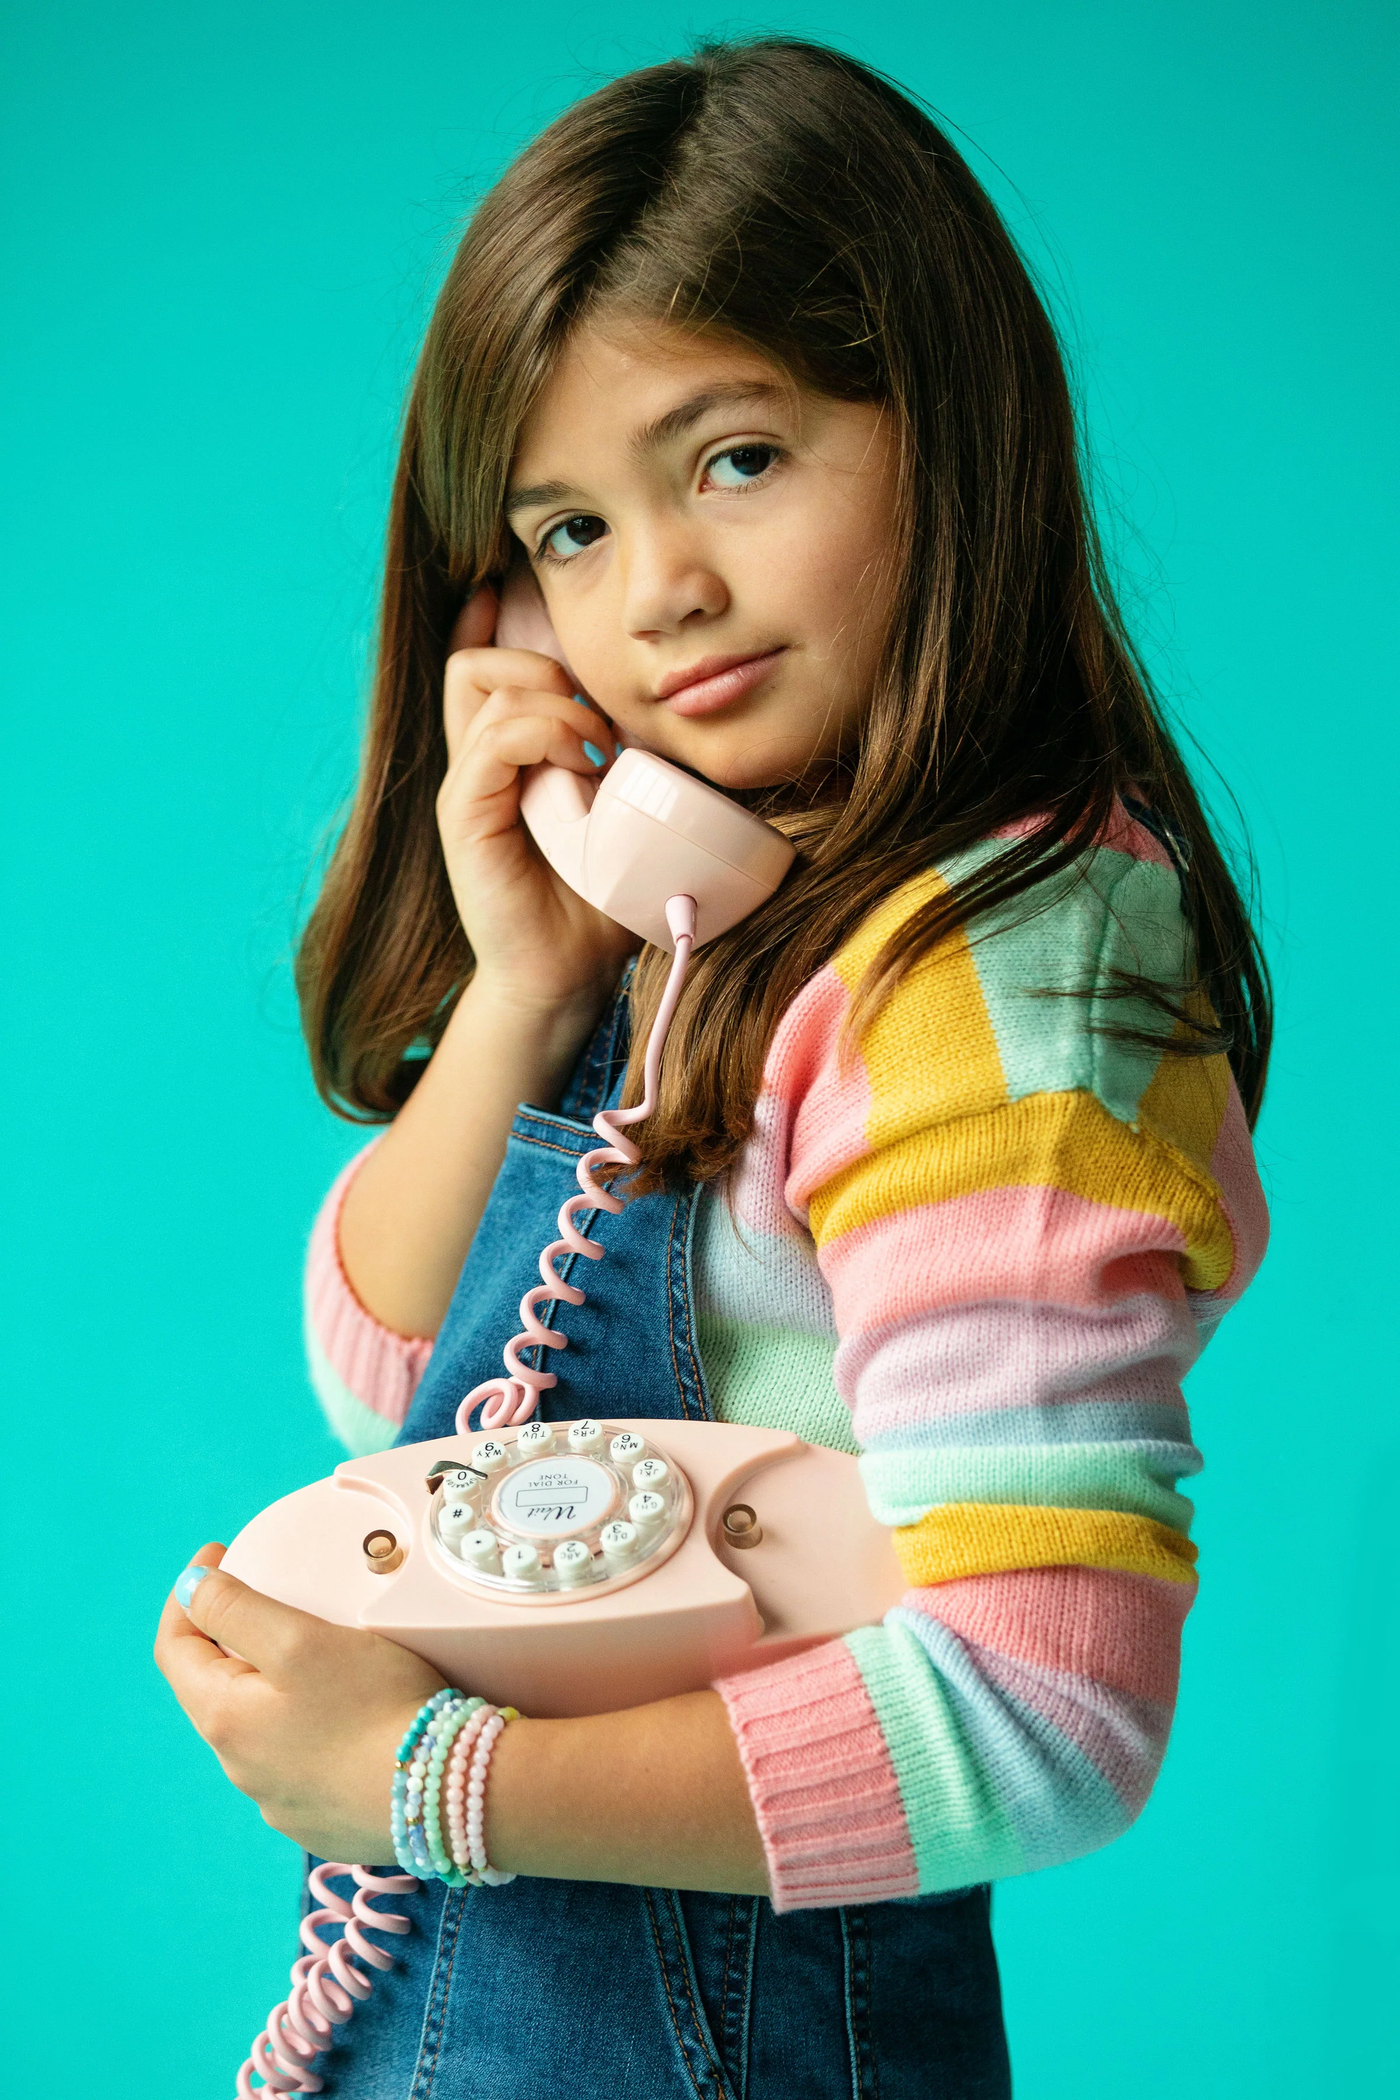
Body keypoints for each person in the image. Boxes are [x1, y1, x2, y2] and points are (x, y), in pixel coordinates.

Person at [156, 37, 1270, 2097]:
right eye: (565, 528)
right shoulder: (704, 904)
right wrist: (520, 986)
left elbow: (1039, 1712)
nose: (654, 591)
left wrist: (425, 1781)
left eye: (734, 458)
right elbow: (396, 1390)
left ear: (945, 429)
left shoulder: (986, 973)